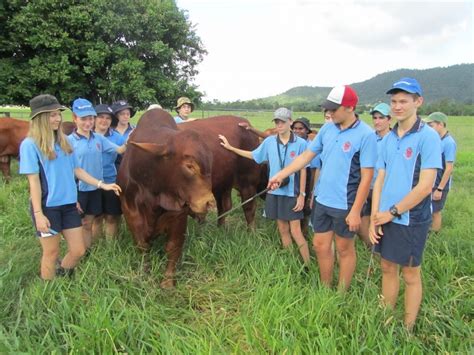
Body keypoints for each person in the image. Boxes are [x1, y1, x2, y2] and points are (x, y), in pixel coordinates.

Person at [268, 86, 377, 291]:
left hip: (346, 202)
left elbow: (367, 177)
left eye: (334, 109)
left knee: (344, 248)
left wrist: (355, 211)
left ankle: (341, 293)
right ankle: (325, 287)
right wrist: (281, 174)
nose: (329, 113)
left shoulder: (366, 135)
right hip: (322, 199)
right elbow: (305, 157)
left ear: (349, 108)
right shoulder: (328, 129)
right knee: (320, 245)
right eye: (327, 109)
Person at [19, 94, 121, 280]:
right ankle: (47, 290)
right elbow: (34, 182)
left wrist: (102, 184)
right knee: (51, 252)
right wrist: (38, 213)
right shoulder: (30, 145)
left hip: (69, 206)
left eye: (58, 114)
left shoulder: (63, 141)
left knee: (78, 250)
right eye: (52, 115)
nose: (58, 118)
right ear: (39, 118)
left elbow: (77, 170)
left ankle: (62, 275)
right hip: (47, 207)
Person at [369, 78, 441, 330]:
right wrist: (375, 216)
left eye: (403, 101)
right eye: (394, 101)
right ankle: (386, 317)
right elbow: (380, 179)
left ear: (417, 102)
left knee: (410, 273)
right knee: (387, 266)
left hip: (411, 218)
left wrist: (392, 212)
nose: (397, 106)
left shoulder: (428, 137)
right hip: (385, 215)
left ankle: (408, 327)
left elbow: (425, 186)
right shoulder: (388, 139)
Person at [219, 108, 310, 265]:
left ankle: (307, 265)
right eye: (277, 122)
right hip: (274, 191)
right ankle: (291, 265)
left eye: (282, 121)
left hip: (292, 193)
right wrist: (231, 148)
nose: (279, 125)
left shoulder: (301, 144)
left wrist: (302, 194)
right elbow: (254, 155)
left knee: (296, 231)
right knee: (282, 229)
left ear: (290, 122)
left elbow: (303, 170)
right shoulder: (269, 142)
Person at [68, 98, 127, 251]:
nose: (88, 122)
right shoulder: (68, 141)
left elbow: (120, 150)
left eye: (90, 118)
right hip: (82, 187)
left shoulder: (99, 139)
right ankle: (87, 251)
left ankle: (108, 250)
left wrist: (136, 138)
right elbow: (70, 170)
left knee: (107, 217)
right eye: (84, 119)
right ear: (75, 118)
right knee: (88, 222)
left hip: (103, 184)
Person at [358, 103, 392, 246]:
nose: (377, 121)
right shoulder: (369, 138)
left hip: (384, 189)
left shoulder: (394, 140)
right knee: (362, 224)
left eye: (381, 118)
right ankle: (371, 250)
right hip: (367, 186)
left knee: (380, 225)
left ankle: (381, 257)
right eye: (375, 118)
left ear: (389, 119)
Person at [92, 104, 123, 240]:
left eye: (108, 118)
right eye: (100, 117)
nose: (104, 121)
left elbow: (124, 157)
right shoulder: (86, 135)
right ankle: (96, 247)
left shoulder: (117, 138)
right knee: (95, 217)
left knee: (111, 216)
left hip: (111, 180)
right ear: (94, 119)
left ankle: (111, 249)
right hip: (90, 182)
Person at [424, 112, 457, 232]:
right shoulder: (437, 140)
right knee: (429, 209)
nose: (429, 128)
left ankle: (435, 235)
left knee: (436, 211)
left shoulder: (449, 143)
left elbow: (449, 168)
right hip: (432, 182)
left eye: (431, 125)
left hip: (440, 184)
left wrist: (440, 189)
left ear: (440, 124)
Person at [291, 117, 315, 236]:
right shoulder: (292, 144)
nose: (297, 131)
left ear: (307, 130)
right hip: (293, 175)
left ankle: (303, 233)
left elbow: (312, 171)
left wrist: (310, 192)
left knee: (304, 207)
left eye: (301, 128)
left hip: (307, 175)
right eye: (295, 128)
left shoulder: (311, 146)